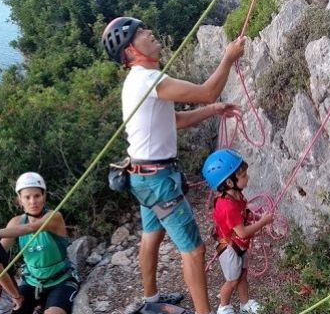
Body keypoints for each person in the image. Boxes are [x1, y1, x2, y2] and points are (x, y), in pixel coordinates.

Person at [101, 16, 245, 314]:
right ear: (130, 51)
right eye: (139, 32)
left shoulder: (138, 82)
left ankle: (152, 301)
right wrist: (228, 58)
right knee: (194, 249)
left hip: (142, 177)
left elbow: (174, 121)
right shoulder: (148, 79)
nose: (149, 31)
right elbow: (207, 90)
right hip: (157, 180)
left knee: (151, 234)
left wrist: (212, 110)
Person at [0, 172, 78, 314]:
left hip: (61, 282)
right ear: (20, 200)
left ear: (44, 197)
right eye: (27, 197)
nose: (33, 201)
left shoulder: (54, 217)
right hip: (31, 283)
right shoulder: (15, 223)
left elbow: (30, 228)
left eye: (37, 196)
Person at [202, 149, 273, 314]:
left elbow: (244, 214)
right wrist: (262, 222)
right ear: (229, 182)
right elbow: (242, 232)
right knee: (233, 280)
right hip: (229, 248)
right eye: (243, 176)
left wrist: (256, 216)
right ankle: (223, 306)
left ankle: (245, 304)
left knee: (242, 275)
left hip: (238, 245)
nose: (247, 178)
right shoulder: (227, 206)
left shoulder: (237, 197)